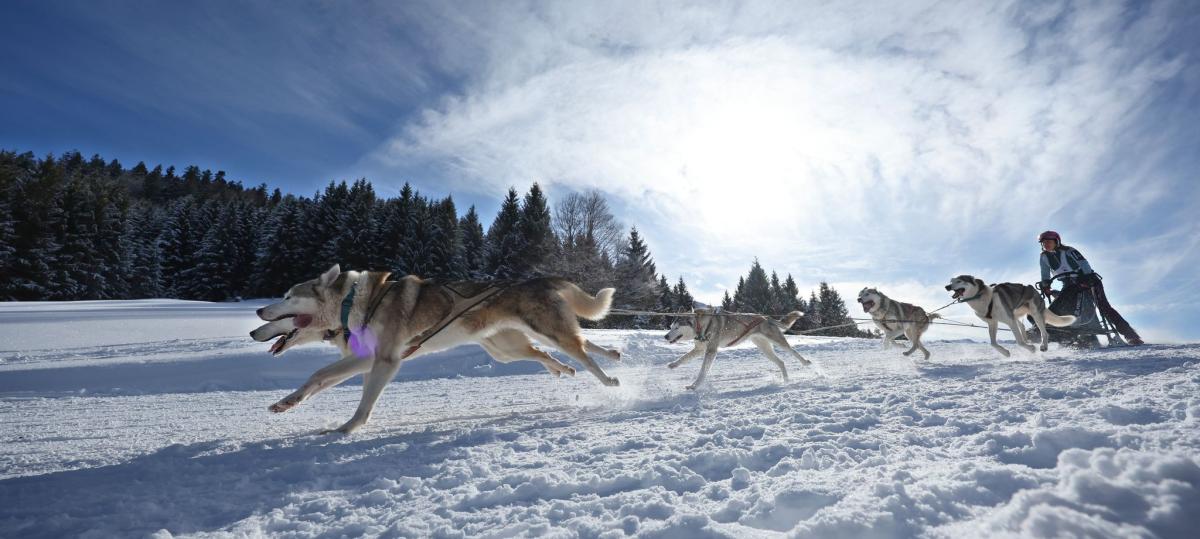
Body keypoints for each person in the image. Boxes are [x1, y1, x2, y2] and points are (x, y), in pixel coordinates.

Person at [1037, 230, 1143, 345]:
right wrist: (1045, 285)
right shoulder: (1044, 257)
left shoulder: (1069, 251)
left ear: (1056, 241)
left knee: (1104, 307)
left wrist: (1087, 279)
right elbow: (1045, 273)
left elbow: (1084, 264)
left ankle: (1131, 336)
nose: (1045, 244)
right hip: (1069, 285)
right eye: (1043, 243)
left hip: (1089, 281)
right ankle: (1076, 337)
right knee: (1066, 306)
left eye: (1048, 241)